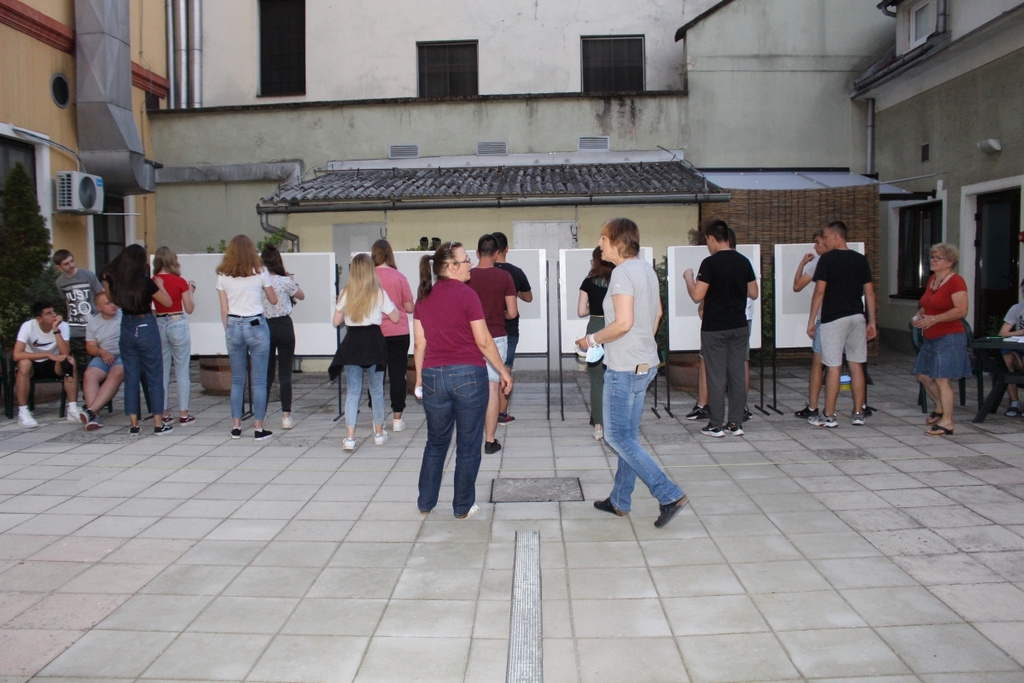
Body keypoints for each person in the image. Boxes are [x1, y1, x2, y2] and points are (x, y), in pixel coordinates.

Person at [577, 218, 688, 528]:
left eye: (602, 238)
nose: (599, 244)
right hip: (644, 364)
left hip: (625, 367)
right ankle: (619, 500)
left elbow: (623, 323)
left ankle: (669, 494)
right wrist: (641, 344)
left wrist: (592, 339)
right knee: (627, 436)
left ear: (617, 241)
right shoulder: (646, 269)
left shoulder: (623, 273)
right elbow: (657, 313)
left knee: (616, 436)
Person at [414, 241, 512, 519]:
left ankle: (426, 502)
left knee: (436, 442)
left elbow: (419, 344)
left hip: (433, 376)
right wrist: (503, 371)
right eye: (466, 259)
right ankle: (462, 506)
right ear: (452, 266)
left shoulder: (423, 297)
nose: (470, 264)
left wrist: (419, 378)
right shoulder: (468, 295)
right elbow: (483, 340)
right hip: (468, 375)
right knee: (468, 445)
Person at [683, 219, 759, 437]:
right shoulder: (743, 261)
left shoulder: (710, 263)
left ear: (712, 238)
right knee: (736, 374)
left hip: (715, 328)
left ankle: (716, 424)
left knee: (715, 375)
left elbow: (697, 295)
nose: (708, 245)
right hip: (739, 325)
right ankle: (735, 423)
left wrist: (689, 278)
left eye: (707, 240)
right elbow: (754, 293)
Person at [806, 220, 876, 428]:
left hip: (834, 318)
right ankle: (858, 412)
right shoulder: (860, 259)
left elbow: (820, 291)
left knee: (833, 365)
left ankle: (829, 415)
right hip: (857, 317)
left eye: (826, 237)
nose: (825, 241)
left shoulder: (827, 259)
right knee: (856, 364)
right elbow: (869, 292)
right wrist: (872, 321)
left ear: (836, 236)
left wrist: (811, 320)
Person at [330, 253, 400, 451]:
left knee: (353, 391)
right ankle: (378, 433)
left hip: (352, 343)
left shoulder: (346, 292)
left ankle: (350, 437)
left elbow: (336, 322)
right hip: (374, 343)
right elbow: (395, 318)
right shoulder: (378, 292)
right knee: (377, 390)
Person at [102, 244, 173, 435]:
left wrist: (106, 282)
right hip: (146, 325)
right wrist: (160, 286)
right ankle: (158, 423)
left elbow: (112, 299)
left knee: (131, 376)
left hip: (126, 324)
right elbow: (167, 302)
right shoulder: (145, 282)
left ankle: (134, 424)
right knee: (154, 375)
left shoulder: (118, 282)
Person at [216, 235, 277, 440]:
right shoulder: (260, 270)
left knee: (237, 380)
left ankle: (236, 426)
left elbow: (223, 308)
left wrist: (228, 330)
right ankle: (258, 428)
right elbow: (273, 300)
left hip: (233, 324)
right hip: (256, 324)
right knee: (259, 380)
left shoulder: (223, 274)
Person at [911, 243, 972, 436]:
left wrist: (934, 319)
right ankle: (940, 407)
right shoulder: (933, 280)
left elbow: (961, 310)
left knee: (942, 379)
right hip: (931, 337)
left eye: (938, 258)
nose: (933, 260)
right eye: (932, 257)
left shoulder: (956, 282)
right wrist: (918, 316)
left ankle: (947, 422)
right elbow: (927, 305)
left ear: (950, 262)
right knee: (923, 375)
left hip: (950, 337)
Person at [466, 234, 517, 454]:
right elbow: (512, 313)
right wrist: (498, 314)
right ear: (497, 253)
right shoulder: (505, 277)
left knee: (469, 389)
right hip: (496, 337)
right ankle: (489, 440)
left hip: (470, 338)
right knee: (493, 388)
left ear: (477, 253)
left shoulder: (467, 276)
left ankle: (469, 438)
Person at [372, 239, 415, 432]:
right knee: (398, 375)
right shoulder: (399, 277)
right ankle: (397, 417)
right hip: (399, 332)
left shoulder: (368, 277)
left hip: (375, 332)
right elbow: (410, 307)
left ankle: (377, 418)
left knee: (376, 375)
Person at [12, 302, 78, 427]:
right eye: (48, 313)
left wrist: (55, 329)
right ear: (39, 319)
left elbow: (65, 352)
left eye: (53, 311)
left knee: (70, 361)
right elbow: (17, 354)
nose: (53, 315)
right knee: (24, 364)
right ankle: (23, 412)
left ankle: (72, 408)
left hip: (53, 364)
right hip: (33, 363)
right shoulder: (28, 326)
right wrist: (47, 355)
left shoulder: (62, 326)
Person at [262, 245, 305, 430]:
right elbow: (301, 296)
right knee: (285, 373)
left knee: (266, 374)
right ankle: (286, 416)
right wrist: (291, 279)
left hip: (265, 326)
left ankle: (262, 414)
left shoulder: (259, 282)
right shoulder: (284, 281)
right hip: (284, 325)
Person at [492, 231, 533, 425]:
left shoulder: (478, 273)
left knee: (485, 372)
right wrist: (514, 292)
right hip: (509, 328)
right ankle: (501, 414)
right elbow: (528, 297)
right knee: (505, 369)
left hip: (484, 329)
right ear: (507, 249)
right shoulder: (515, 272)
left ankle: (486, 411)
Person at [153, 246, 196, 426]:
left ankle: (163, 412)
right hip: (177, 321)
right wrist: (191, 290)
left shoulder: (153, 281)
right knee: (182, 369)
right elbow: (189, 308)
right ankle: (183, 413)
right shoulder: (180, 281)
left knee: (162, 371)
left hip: (159, 323)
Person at [53, 249, 102, 405]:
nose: (71, 265)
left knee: (97, 363)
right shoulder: (60, 282)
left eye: (72, 261)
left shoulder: (87, 275)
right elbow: (67, 301)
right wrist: (69, 320)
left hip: (93, 325)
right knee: (81, 366)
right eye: (66, 264)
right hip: (76, 328)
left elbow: (100, 295)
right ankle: (88, 398)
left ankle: (100, 396)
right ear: (59, 267)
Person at [792, 228, 828, 418]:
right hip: (851, 316)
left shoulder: (821, 262)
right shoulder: (852, 259)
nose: (815, 246)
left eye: (817, 242)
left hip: (827, 317)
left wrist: (802, 264)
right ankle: (859, 407)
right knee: (852, 364)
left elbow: (797, 286)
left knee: (818, 362)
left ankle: (814, 407)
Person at [578, 246, 613, 440]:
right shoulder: (618, 279)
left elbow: (581, 311)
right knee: (617, 377)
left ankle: (598, 426)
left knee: (597, 379)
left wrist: (594, 304)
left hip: (595, 327)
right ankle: (615, 422)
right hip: (615, 328)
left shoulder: (588, 282)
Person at [80, 291, 123, 430]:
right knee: (89, 374)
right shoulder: (93, 322)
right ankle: (95, 416)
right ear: (99, 307)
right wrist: (101, 351)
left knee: (116, 373)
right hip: (103, 355)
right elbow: (90, 347)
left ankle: (91, 411)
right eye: (108, 303)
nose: (113, 305)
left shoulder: (124, 316)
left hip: (124, 354)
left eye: (113, 302)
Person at [998, 277, 1024, 417]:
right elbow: (1002, 333)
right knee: (1005, 359)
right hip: (1018, 348)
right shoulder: (1017, 308)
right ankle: (1014, 402)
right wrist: (1019, 332)